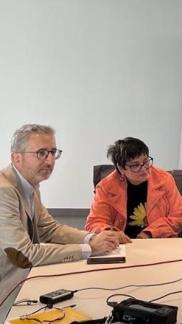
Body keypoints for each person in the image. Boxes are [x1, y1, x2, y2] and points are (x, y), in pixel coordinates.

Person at [0, 124, 119, 319]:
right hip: (6, 291)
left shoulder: (29, 183)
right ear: (16, 157)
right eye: (41, 153)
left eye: (53, 152)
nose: (50, 161)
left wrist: (92, 238)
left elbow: (49, 229)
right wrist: (90, 249)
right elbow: (24, 255)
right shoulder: (4, 191)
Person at [85, 137, 182, 238]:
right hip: (121, 243)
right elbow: (95, 222)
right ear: (121, 168)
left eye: (146, 161)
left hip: (157, 239)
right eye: (135, 165)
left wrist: (149, 234)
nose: (143, 168)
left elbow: (178, 216)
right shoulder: (106, 187)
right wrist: (110, 233)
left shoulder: (164, 179)